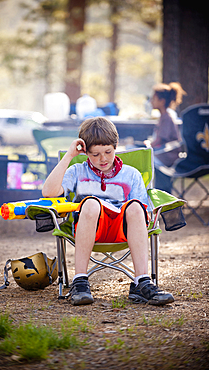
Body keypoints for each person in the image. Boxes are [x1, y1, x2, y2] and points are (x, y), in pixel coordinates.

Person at [42, 117, 174, 306]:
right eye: (95, 154)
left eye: (108, 152)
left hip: (122, 230)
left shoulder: (131, 175)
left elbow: (143, 215)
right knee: (91, 204)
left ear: (116, 146)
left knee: (137, 207)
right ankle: (80, 281)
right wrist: (69, 156)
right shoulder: (77, 171)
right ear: (85, 151)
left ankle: (142, 282)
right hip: (89, 228)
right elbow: (48, 192)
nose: (102, 159)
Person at [144, 82, 186, 192]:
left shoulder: (167, 117)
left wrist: (148, 144)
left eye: (154, 99)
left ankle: (159, 191)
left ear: (162, 101)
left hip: (169, 155)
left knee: (145, 159)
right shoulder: (163, 116)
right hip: (163, 152)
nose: (151, 101)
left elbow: (160, 140)